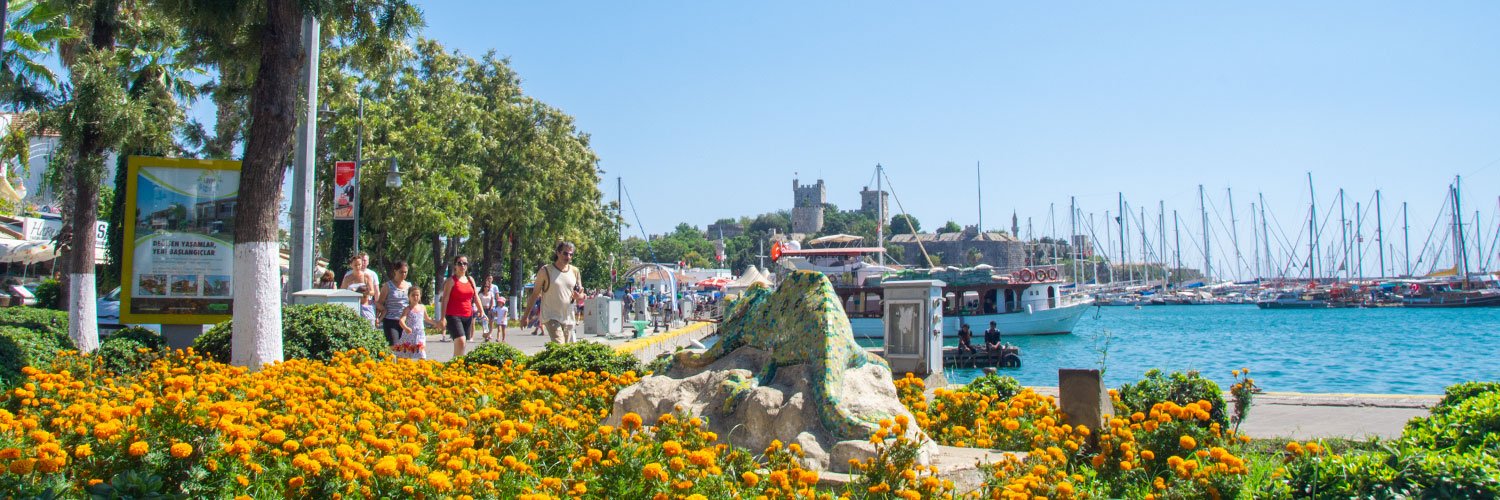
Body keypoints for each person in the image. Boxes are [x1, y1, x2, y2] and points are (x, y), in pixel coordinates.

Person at [526, 241, 584, 344]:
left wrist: (579, 296)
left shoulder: (575, 271)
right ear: (557, 253)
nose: (568, 257)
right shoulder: (546, 271)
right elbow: (535, 294)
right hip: (551, 316)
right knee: (560, 345)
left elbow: (582, 294)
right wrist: (525, 316)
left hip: (568, 317)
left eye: (571, 254)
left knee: (564, 351)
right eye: (565, 253)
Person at [438, 255, 483, 357]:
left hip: (467, 315)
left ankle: (457, 365)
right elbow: (445, 299)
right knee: (461, 341)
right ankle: (456, 365)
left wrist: (482, 311)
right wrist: (442, 318)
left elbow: (475, 296)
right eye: (459, 263)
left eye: (465, 263)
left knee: (462, 344)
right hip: (453, 315)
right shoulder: (451, 281)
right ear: (455, 266)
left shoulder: (470, 279)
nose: (462, 265)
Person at [375, 261, 411, 347]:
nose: (403, 274)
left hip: (405, 321)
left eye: (405, 272)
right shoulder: (388, 286)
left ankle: (403, 361)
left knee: (405, 348)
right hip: (391, 320)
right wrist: (377, 318)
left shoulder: (409, 286)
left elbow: (412, 303)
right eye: (401, 272)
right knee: (394, 347)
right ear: (395, 271)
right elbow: (380, 303)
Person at [341, 255, 377, 324]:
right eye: (355, 265)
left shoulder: (366, 276)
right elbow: (342, 292)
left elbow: (372, 292)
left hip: (364, 306)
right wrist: (351, 292)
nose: (358, 267)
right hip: (351, 306)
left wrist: (364, 292)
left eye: (359, 265)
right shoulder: (347, 278)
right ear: (351, 265)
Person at [397, 287, 429, 360]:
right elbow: (401, 320)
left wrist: (437, 323)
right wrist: (406, 328)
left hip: (419, 334)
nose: (415, 297)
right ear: (409, 297)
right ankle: (405, 368)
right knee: (406, 354)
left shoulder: (422, 307)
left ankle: (422, 368)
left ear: (420, 296)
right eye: (413, 295)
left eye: (417, 295)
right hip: (409, 334)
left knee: (421, 353)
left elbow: (427, 318)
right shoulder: (407, 309)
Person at [478, 275, 500, 342]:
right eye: (485, 287)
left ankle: (489, 334)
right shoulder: (480, 294)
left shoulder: (491, 292)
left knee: (491, 322)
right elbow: (479, 302)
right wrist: (480, 310)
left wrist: (492, 307)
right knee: (485, 323)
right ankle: (486, 335)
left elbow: (493, 300)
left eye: (487, 287)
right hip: (483, 309)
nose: (486, 288)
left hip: (490, 309)